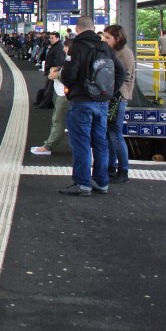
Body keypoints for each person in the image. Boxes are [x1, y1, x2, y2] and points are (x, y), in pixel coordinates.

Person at [58, 16, 125, 196]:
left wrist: (72, 86)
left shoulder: (77, 47)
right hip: (102, 102)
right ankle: (102, 182)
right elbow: (120, 72)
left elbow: (68, 75)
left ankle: (82, 183)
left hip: (82, 102)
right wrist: (108, 91)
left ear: (78, 29)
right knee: (100, 143)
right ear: (94, 28)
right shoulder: (105, 47)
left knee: (81, 144)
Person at [102, 24, 135, 184]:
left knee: (115, 133)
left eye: (107, 37)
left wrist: (113, 91)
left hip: (119, 97)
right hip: (112, 97)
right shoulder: (114, 52)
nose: (104, 39)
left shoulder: (125, 53)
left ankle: (123, 170)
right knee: (109, 133)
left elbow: (125, 76)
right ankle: (111, 167)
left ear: (118, 38)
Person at [31, 36, 73, 156]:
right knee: (68, 122)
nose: (64, 49)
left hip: (65, 94)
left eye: (66, 46)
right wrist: (58, 70)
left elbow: (71, 77)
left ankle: (48, 146)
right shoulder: (71, 58)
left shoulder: (72, 59)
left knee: (58, 120)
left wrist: (57, 75)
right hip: (65, 94)